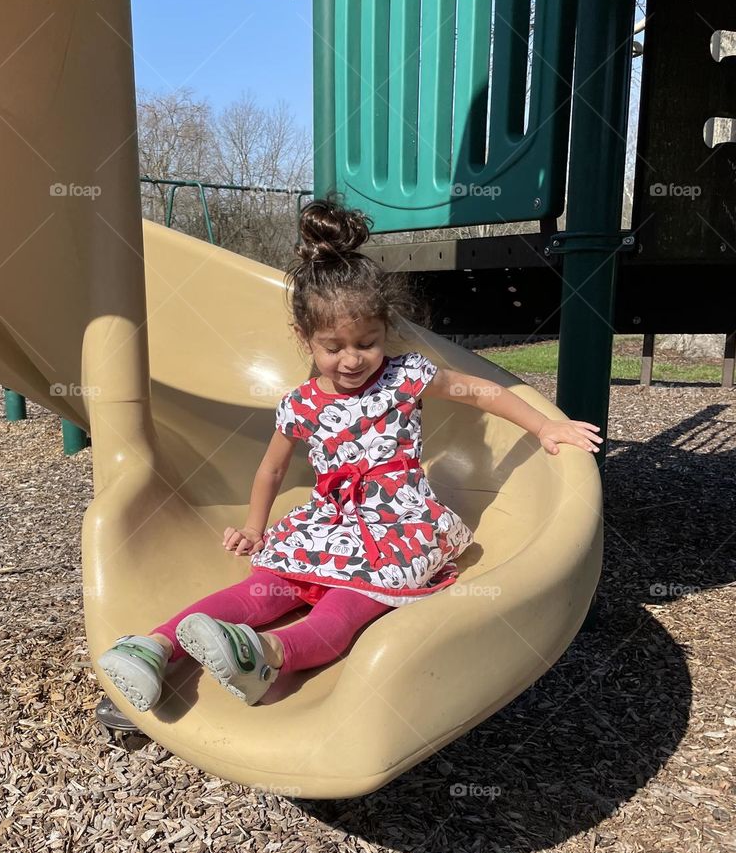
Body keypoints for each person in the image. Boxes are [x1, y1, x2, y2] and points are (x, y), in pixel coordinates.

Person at [97, 196, 602, 711]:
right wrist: (254, 526)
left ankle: (268, 654)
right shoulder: (301, 403)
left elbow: (481, 392)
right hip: (326, 522)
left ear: (385, 331)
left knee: (346, 607)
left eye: (367, 342)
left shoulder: (405, 376)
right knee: (266, 589)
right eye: (334, 346)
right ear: (304, 339)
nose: (352, 359)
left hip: (395, 526)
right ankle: (157, 646)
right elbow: (271, 469)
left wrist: (545, 427)